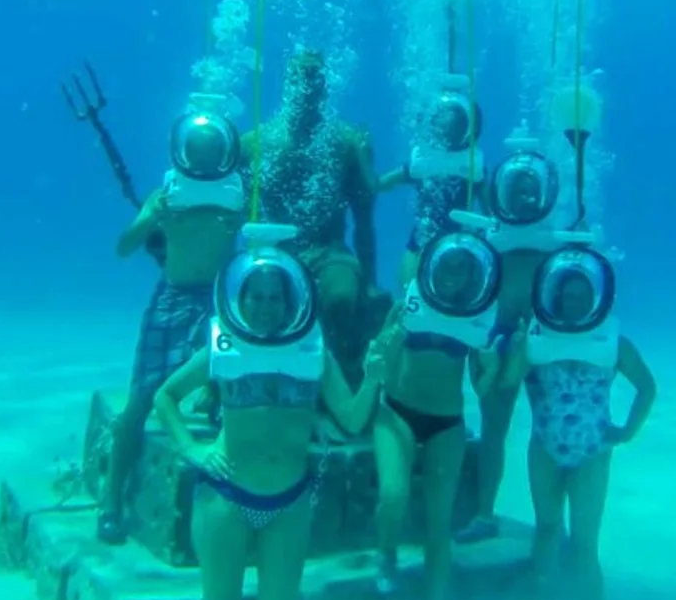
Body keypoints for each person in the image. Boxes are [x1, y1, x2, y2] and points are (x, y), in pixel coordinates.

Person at [152, 229, 385, 600]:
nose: (264, 306)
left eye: (274, 297)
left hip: (289, 504)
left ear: (290, 300)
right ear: (239, 298)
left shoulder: (314, 352)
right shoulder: (223, 347)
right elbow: (165, 396)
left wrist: (372, 378)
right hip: (225, 499)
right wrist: (191, 449)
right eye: (255, 297)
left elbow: (351, 420)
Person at [97, 109, 247, 544]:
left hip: (220, 298)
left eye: (211, 152)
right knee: (141, 398)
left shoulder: (239, 192)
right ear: (182, 152)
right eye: (196, 152)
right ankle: (111, 501)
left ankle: (234, 496)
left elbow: (256, 242)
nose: (202, 161)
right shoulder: (165, 193)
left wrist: (240, 224)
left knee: (233, 386)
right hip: (174, 296)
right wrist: (151, 217)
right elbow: (124, 247)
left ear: (224, 152)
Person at [368, 231, 521, 600]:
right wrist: (387, 344)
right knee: (393, 493)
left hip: (447, 423)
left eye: (461, 270)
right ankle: (386, 553)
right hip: (397, 413)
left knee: (440, 523)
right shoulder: (406, 306)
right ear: (431, 267)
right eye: (447, 267)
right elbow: (381, 363)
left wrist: (494, 367)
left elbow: (481, 388)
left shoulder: (476, 316)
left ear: (472, 276)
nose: (452, 277)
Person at [512, 245, 656, 600]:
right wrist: (517, 347)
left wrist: (627, 432)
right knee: (546, 528)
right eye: (567, 296)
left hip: (593, 454)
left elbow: (647, 387)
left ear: (596, 299)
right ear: (555, 297)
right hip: (544, 449)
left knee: (584, 544)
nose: (574, 304)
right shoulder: (537, 339)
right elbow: (505, 382)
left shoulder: (615, 344)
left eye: (582, 297)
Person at [241, 49, 383, 385]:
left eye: (314, 79)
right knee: (257, 303)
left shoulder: (347, 143)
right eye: (299, 78)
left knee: (340, 298)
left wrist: (370, 282)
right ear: (287, 85)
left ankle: (343, 382)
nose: (307, 87)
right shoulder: (255, 144)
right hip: (273, 250)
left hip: (329, 249)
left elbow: (364, 222)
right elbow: (235, 218)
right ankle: (247, 381)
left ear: (324, 88)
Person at [454, 145, 571, 544]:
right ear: (501, 193)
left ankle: (552, 521)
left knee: (552, 431)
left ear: (544, 193)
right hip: (497, 341)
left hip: (544, 341)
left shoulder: (555, 243)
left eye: (531, 190)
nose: (525, 197)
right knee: (494, 430)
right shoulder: (486, 240)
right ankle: (484, 513)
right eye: (517, 189)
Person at [378, 76, 488, 286]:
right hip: (423, 241)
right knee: (409, 291)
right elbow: (381, 184)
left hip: (459, 242)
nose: (448, 131)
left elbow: (490, 212)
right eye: (444, 125)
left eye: (456, 125)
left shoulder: (473, 166)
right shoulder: (424, 162)